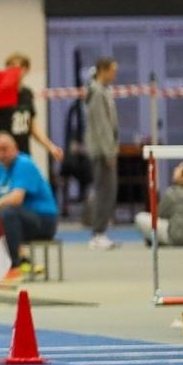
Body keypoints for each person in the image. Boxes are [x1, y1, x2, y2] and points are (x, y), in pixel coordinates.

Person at [0, 132, 59, 271]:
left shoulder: (24, 163)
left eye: (5, 149)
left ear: (15, 148)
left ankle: (12, 264)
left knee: (8, 212)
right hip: (15, 218)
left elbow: (16, 198)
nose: (1, 154)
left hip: (43, 220)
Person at [0, 52, 64, 165]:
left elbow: (33, 127)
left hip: (23, 153)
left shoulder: (27, 94)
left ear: (25, 70)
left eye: (17, 67)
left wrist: (51, 147)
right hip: (3, 155)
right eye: (10, 68)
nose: (13, 71)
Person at [84, 57, 120, 251]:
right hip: (102, 151)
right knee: (104, 192)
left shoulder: (104, 90)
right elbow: (102, 125)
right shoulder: (96, 92)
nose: (114, 75)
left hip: (106, 149)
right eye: (112, 70)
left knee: (108, 191)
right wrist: (109, 152)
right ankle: (97, 233)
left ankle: (101, 231)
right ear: (102, 70)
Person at [135, 162, 183, 246]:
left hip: (177, 239)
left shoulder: (172, 193)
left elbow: (158, 214)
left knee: (140, 217)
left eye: (179, 168)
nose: (175, 169)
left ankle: (154, 239)